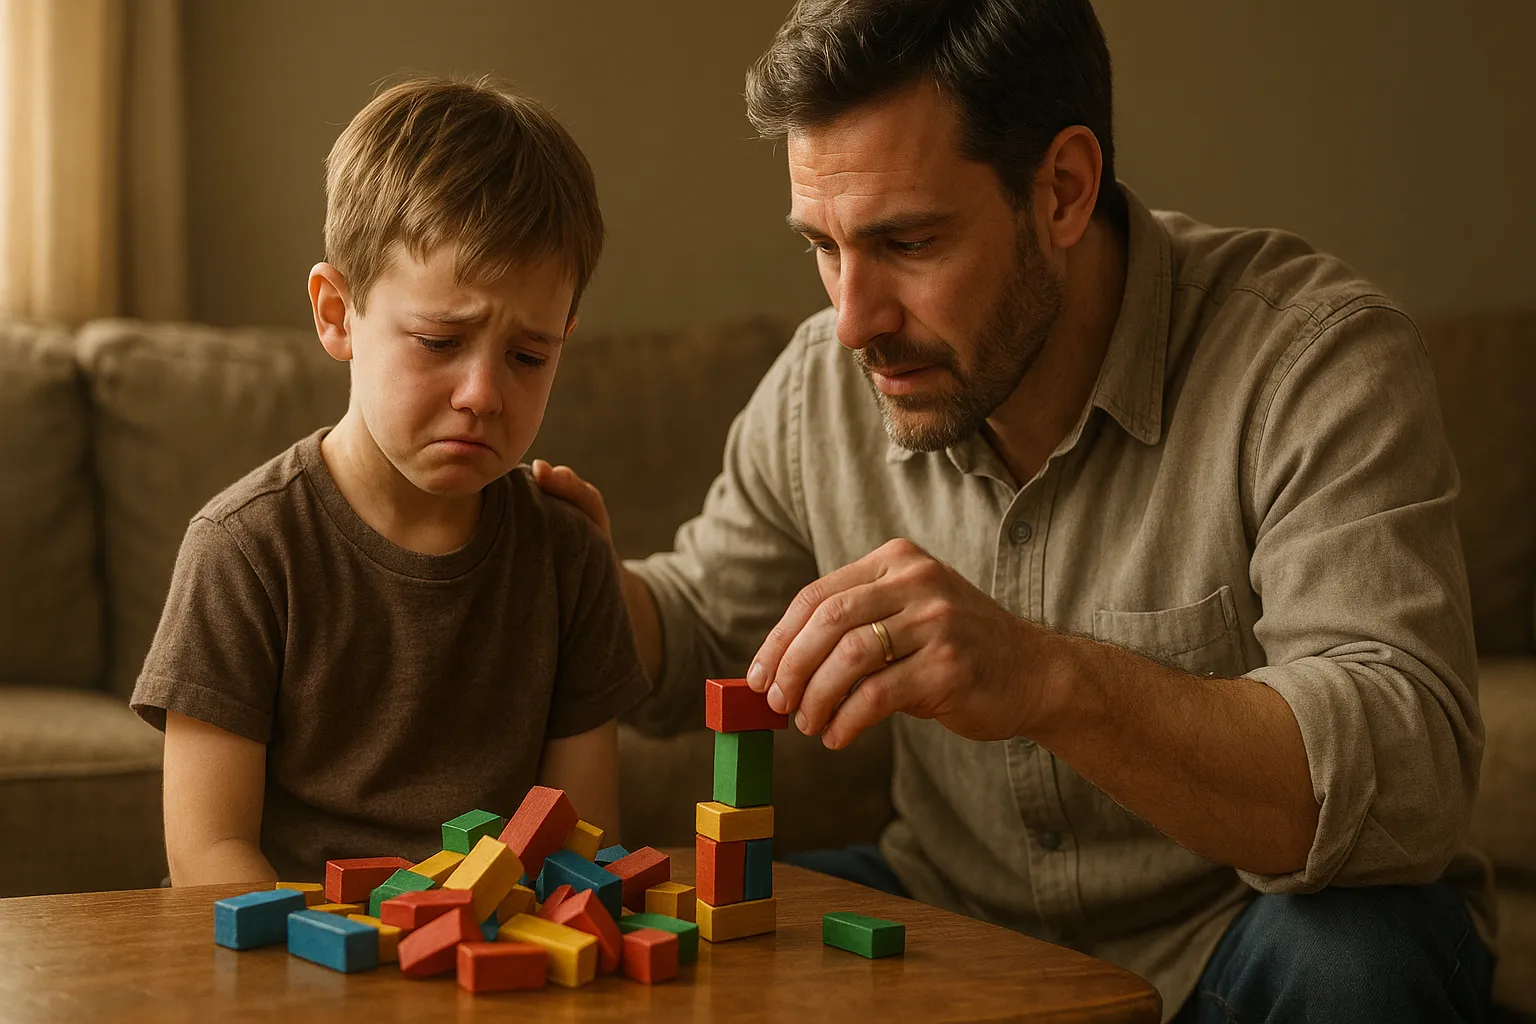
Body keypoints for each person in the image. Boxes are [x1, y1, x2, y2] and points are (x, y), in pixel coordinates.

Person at [534, 1, 1495, 1020]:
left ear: (1064, 191)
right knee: (699, 929)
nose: (852, 321)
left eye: (907, 241)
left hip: (1240, 939)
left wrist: (1045, 675)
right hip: (955, 924)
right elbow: (709, 631)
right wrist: (583, 587)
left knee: (1362, 965)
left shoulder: (1312, 360)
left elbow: (1408, 767)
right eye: (823, 245)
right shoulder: (821, 384)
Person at [132, 78, 648, 885]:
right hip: (288, 967)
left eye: (528, 357)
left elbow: (585, 843)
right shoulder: (242, 549)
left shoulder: (567, 555)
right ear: (337, 314)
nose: (483, 394)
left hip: (491, 966)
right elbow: (209, 856)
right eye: (439, 341)